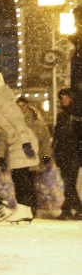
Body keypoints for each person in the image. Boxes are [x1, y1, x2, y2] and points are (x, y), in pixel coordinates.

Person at [0, 73, 39, 223]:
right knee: (21, 177)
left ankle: (23, 209)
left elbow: (18, 122)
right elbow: (3, 126)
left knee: (20, 177)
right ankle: (25, 210)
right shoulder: (1, 105)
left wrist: (26, 143)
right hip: (18, 142)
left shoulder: (6, 104)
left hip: (22, 142)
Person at [53, 88, 81, 219]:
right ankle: (68, 209)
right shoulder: (61, 116)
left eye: (66, 97)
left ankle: (76, 208)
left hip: (73, 153)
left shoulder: (76, 115)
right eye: (62, 98)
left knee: (69, 182)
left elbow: (75, 136)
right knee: (67, 182)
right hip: (64, 154)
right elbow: (57, 135)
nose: (63, 100)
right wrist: (56, 150)